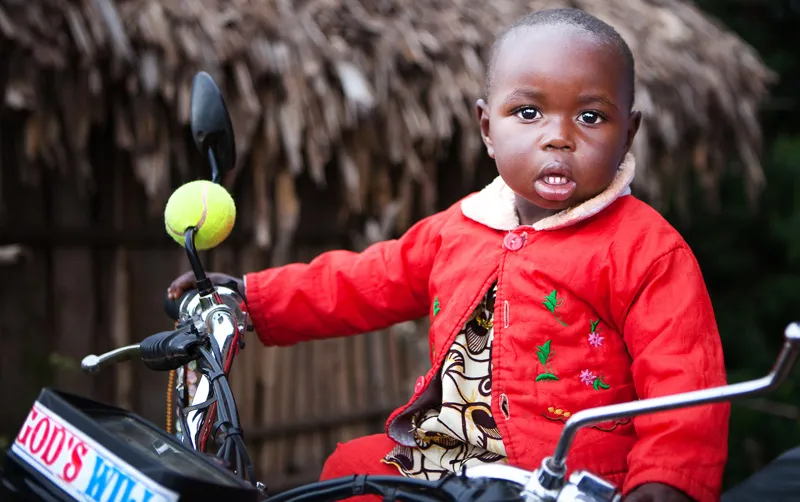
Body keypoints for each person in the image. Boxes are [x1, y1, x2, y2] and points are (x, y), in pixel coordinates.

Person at [169, 8, 728, 502]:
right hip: (446, 461)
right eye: (528, 113)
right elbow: (367, 279)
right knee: (348, 472)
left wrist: (664, 482)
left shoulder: (646, 248)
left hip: (563, 478)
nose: (559, 138)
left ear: (628, 134)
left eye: (590, 117)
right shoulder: (461, 227)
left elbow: (687, 383)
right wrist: (255, 297)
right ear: (488, 127)